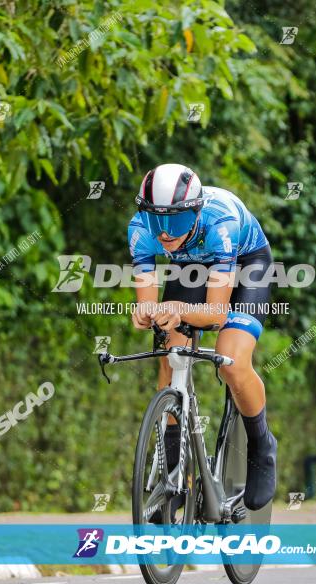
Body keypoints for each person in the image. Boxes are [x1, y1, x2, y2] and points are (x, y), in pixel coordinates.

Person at [127, 163, 276, 512]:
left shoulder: (220, 220)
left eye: (175, 221)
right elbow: (148, 303)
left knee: (232, 361)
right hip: (191, 269)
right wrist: (146, 313)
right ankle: (174, 473)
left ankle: (262, 445)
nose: (164, 233)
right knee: (171, 353)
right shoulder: (140, 229)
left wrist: (176, 308)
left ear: (194, 211)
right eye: (155, 221)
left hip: (245, 265)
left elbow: (216, 314)